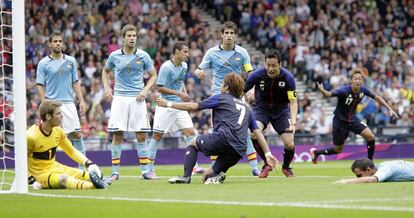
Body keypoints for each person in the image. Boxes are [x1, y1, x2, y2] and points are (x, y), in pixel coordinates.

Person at [157, 73, 279, 184]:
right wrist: (267, 153)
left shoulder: (221, 97)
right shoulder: (247, 109)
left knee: (193, 144)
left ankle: (185, 177)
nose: (221, 86)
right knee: (206, 177)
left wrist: (169, 104)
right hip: (238, 149)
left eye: (222, 84)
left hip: (224, 138)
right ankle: (218, 176)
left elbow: (194, 106)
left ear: (226, 88)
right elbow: (258, 132)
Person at [194, 21, 260, 176]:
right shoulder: (211, 53)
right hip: (218, 95)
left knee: (245, 131)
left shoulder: (242, 52)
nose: (229, 36)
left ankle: (254, 167)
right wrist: (198, 72)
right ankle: (214, 169)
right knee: (216, 131)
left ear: (235, 35)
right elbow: (199, 69)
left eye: (232, 33)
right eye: (227, 33)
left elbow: (250, 73)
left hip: (237, 95)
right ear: (222, 35)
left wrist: (253, 89)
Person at [102, 24, 157, 181]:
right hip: (119, 98)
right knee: (117, 135)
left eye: (134, 36)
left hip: (137, 98)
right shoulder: (114, 56)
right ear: (123, 38)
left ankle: (146, 171)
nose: (132, 38)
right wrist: (106, 87)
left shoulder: (143, 56)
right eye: (129, 36)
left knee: (141, 136)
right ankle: (115, 172)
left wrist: (145, 90)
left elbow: (153, 75)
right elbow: (105, 71)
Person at [310, 69, 398, 163]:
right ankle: (316, 152)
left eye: (360, 79)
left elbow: (377, 98)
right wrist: (322, 90)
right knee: (337, 150)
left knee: (370, 137)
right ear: (351, 80)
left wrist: (390, 109)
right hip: (340, 122)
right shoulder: (343, 90)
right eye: (355, 79)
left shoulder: (363, 90)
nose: (358, 81)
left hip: (353, 120)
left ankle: (370, 162)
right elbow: (329, 94)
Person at [147, 41, 204, 178]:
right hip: (165, 104)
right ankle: (148, 169)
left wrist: (184, 93)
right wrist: (179, 93)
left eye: (187, 51)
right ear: (177, 52)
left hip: (179, 106)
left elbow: (180, 81)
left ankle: (194, 166)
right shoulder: (166, 67)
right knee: (156, 136)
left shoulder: (184, 65)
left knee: (191, 133)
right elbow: (159, 87)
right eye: (185, 51)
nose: (187, 54)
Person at [27, 99, 106, 189]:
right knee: (64, 180)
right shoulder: (31, 136)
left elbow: (71, 151)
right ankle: (95, 187)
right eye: (58, 113)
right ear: (48, 116)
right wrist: (30, 179)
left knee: (92, 175)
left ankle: (99, 182)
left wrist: (89, 164)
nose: (62, 116)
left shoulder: (58, 131)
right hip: (40, 175)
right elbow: (21, 159)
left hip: (55, 167)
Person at [244, 49, 298, 178]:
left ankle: (286, 167)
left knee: (289, 143)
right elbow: (241, 91)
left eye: (274, 65)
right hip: (261, 109)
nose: (270, 68)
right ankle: (267, 163)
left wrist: (294, 121)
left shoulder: (288, 78)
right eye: (268, 65)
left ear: (280, 64)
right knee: (253, 133)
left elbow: (293, 102)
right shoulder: (256, 75)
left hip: (281, 111)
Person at [36, 32, 87, 169]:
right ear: (50, 44)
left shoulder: (71, 61)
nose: (58, 43)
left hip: (69, 103)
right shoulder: (43, 63)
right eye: (55, 41)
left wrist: (81, 100)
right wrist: (44, 102)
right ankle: (41, 170)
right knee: (48, 138)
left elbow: (75, 82)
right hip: (52, 105)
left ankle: (83, 169)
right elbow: (40, 84)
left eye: (60, 41)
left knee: (76, 135)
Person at [334, 158, 414, 184]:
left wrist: (346, 181)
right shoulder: (379, 167)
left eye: (359, 175)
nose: (358, 178)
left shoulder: (385, 168)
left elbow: (372, 180)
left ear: (368, 170)